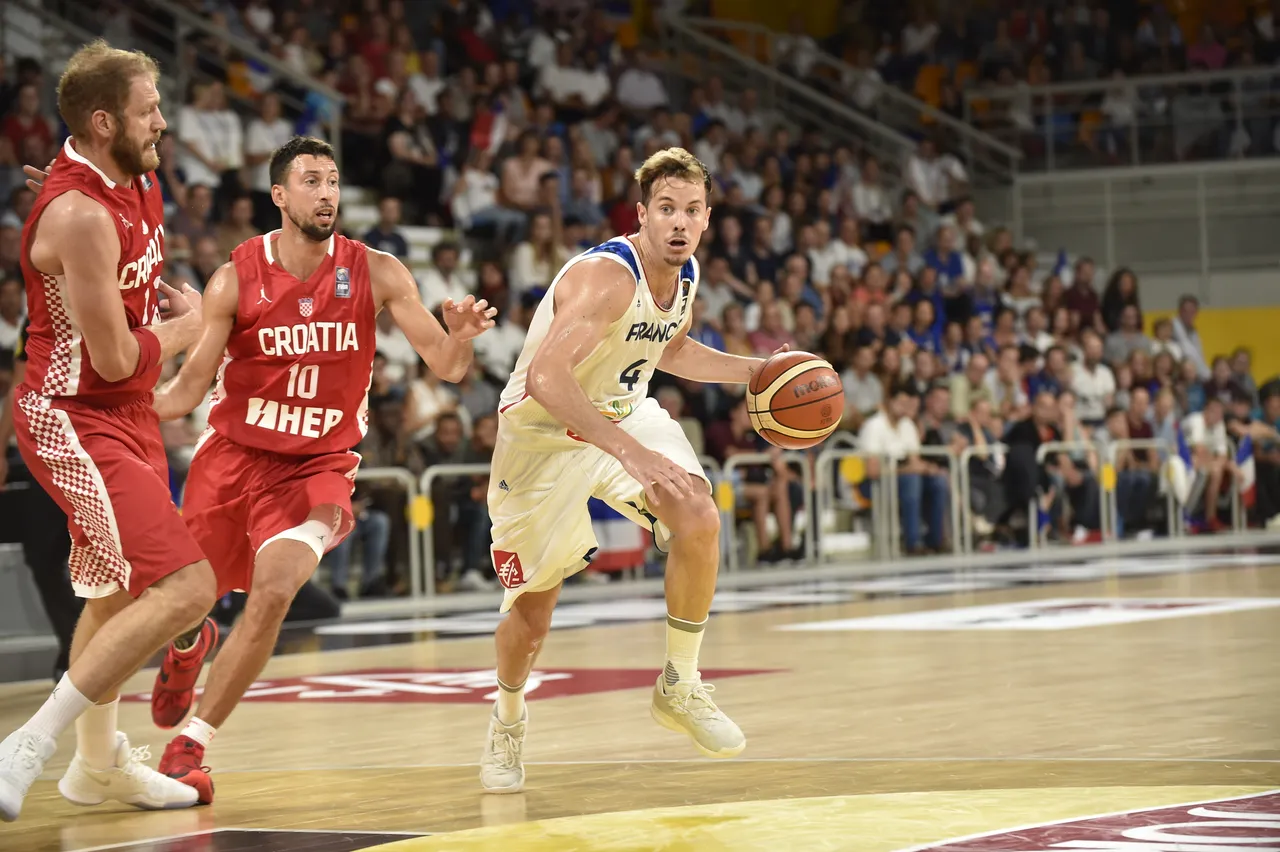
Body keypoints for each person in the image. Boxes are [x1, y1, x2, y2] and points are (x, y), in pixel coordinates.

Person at [139, 137, 494, 802]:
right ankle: (188, 643)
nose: (326, 192)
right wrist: (119, 407)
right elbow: (186, 392)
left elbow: (446, 366)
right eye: (310, 181)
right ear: (279, 195)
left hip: (317, 467)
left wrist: (463, 338)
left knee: (276, 590)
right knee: (186, 601)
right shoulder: (234, 278)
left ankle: (192, 744)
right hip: (233, 459)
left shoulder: (378, 271)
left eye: (332, 180)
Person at [480, 148, 782, 794]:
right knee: (533, 616)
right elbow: (547, 377)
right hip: (542, 435)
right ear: (641, 215)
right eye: (666, 209)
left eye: (692, 210)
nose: (680, 222)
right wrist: (629, 452)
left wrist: (755, 371)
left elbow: (668, 347)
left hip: (620, 412)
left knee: (697, 515)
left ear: (707, 218)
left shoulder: (685, 275)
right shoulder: (606, 279)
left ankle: (680, 683)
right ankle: (507, 718)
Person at [0, 41, 213, 822]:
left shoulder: (133, 179)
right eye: (147, 109)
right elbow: (118, 358)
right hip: (72, 414)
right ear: (102, 122)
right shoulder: (81, 215)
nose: (161, 121)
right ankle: (27, 743)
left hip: (126, 413)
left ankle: (96, 768)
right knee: (187, 588)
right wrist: (193, 326)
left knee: (115, 597)